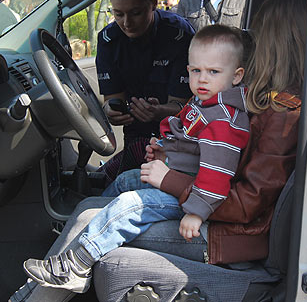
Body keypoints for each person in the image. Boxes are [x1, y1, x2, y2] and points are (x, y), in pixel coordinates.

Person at [9, 0, 307, 302]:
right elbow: (214, 154)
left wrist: (171, 180)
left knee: (90, 218)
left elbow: (245, 204)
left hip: (226, 233)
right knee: (95, 205)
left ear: (276, 44)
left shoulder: (282, 113)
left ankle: (48, 286)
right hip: (211, 209)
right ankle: (32, 293)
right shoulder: (255, 96)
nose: (252, 41)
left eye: (258, 36)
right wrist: (172, 155)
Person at [21, 25, 250, 293]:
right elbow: (188, 140)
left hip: (191, 198)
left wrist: (197, 213)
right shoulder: (205, 101)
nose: (202, 79)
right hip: (179, 178)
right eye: (196, 70)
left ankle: (78, 264)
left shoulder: (222, 121)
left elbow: (216, 176)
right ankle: (98, 227)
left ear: (236, 76)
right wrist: (164, 150)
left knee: (129, 205)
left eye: (213, 72)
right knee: (126, 180)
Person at [96, 0, 194, 185]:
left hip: (176, 138)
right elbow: (112, 101)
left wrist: (158, 112)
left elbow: (186, 107)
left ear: (154, 3)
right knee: (106, 181)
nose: (127, 23)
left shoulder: (179, 35)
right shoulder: (108, 41)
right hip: (134, 137)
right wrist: (112, 113)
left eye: (136, 13)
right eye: (118, 14)